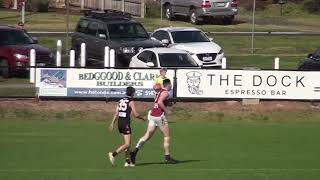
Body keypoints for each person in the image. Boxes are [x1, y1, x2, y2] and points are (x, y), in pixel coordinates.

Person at [131, 79, 178, 165]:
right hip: (159, 116)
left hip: (152, 115)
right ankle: (167, 157)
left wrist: (168, 103)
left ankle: (134, 152)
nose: (171, 86)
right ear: (168, 84)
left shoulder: (159, 92)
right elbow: (160, 102)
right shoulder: (166, 92)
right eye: (171, 84)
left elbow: (158, 101)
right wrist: (166, 110)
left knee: (147, 136)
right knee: (167, 136)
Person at [108, 87, 146, 167]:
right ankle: (113, 154)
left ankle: (128, 162)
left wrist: (112, 123)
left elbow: (116, 113)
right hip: (125, 123)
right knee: (127, 144)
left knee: (127, 143)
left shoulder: (121, 100)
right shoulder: (131, 101)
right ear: (132, 93)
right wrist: (143, 118)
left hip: (120, 123)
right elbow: (136, 114)